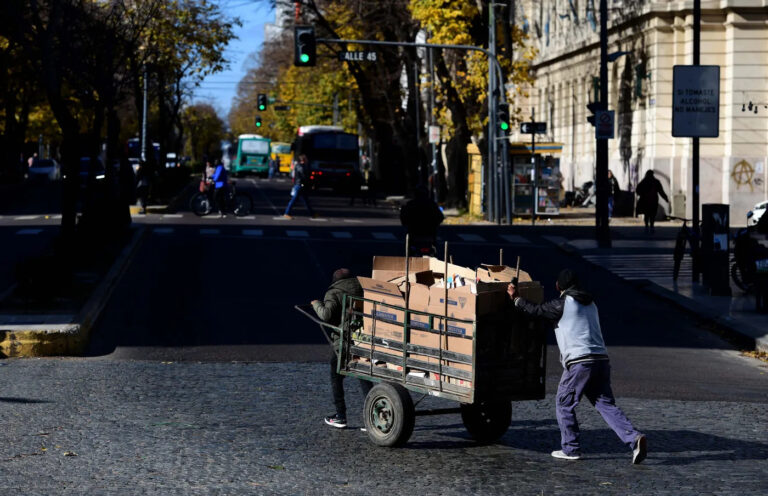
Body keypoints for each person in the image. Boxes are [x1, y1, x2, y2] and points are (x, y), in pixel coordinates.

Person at [507, 269, 647, 464]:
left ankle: (570, 448)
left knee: (564, 402)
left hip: (580, 362)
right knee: (605, 404)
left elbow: (536, 311)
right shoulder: (591, 303)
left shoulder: (562, 304)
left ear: (559, 287)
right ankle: (634, 438)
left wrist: (516, 299)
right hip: (601, 360)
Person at [311, 268, 372, 428]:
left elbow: (326, 315)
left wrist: (316, 304)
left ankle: (340, 415)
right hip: (362, 339)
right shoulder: (362, 288)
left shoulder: (334, 292)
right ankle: (372, 415)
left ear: (335, 280)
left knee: (336, 376)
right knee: (363, 375)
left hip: (344, 341)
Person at [283, 154, 315, 219]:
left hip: (300, 185)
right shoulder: (301, 166)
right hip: (300, 185)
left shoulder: (300, 166)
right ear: (303, 160)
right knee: (294, 200)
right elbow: (304, 177)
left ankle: (312, 214)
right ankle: (287, 213)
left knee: (305, 200)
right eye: (306, 159)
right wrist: (309, 184)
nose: (307, 160)